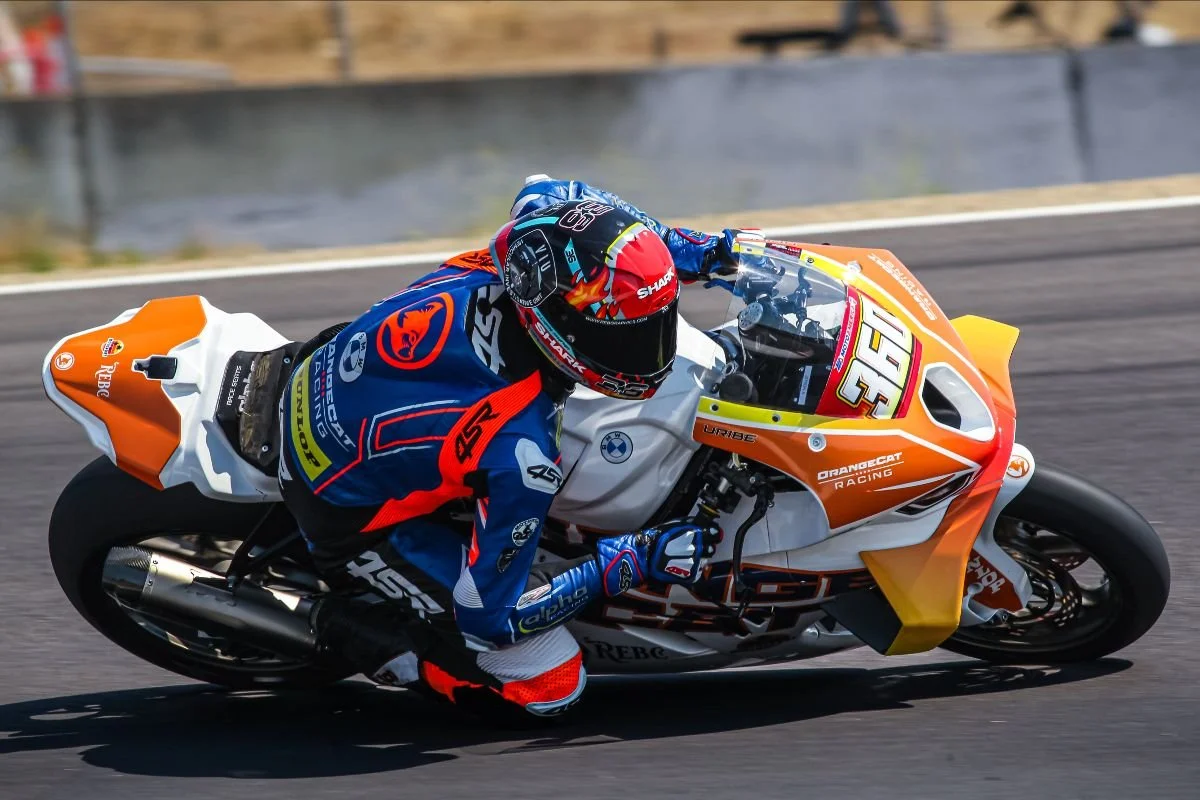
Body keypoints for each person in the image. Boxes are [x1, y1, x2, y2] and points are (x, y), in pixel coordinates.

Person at [278, 175, 762, 720]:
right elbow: (490, 618)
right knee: (551, 681)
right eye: (627, 336)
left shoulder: (527, 243)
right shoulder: (521, 451)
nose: (648, 349)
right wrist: (627, 562)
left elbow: (576, 205)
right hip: (346, 510)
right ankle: (350, 631)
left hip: (323, 367)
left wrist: (710, 253)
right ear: (560, 328)